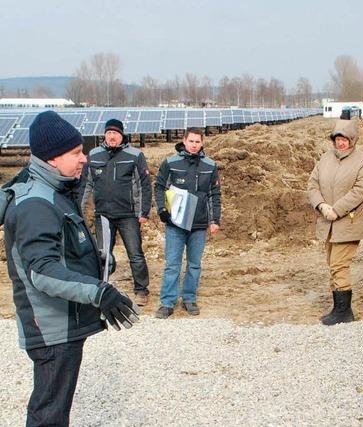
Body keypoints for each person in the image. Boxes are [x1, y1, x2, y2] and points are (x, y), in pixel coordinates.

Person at [0, 111, 137, 426]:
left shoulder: (58, 191)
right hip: (52, 329)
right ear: (51, 158)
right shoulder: (36, 204)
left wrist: (97, 261)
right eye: (75, 153)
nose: (84, 159)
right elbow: (43, 271)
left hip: (63, 322)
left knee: (53, 411)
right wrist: (99, 292)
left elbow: (63, 252)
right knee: (48, 416)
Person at [308, 119, 363, 325]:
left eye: (344, 139)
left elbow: (361, 190)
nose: (341, 143)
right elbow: (312, 184)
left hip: (348, 222)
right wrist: (321, 205)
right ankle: (338, 307)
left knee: (339, 264)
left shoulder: (362, 160)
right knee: (332, 263)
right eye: (337, 138)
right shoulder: (325, 158)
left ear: (352, 140)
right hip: (328, 222)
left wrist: (337, 209)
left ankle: (344, 311)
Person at [81, 118, 152, 306]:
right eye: (109, 133)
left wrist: (143, 212)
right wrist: (79, 211)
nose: (112, 136)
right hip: (103, 214)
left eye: (116, 133)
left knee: (135, 253)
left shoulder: (135, 155)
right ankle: (100, 287)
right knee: (102, 253)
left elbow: (145, 185)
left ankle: (141, 290)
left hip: (128, 214)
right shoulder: (94, 155)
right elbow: (86, 184)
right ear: (104, 135)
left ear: (122, 135)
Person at [154, 128, 221, 318]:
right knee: (172, 264)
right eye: (190, 141)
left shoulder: (210, 165)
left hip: (198, 225)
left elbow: (214, 195)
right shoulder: (170, 163)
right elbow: (159, 186)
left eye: (197, 142)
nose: (194, 145)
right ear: (184, 141)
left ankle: (189, 299)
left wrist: (214, 220)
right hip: (175, 224)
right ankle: (167, 302)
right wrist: (162, 209)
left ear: (202, 143)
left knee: (194, 264)